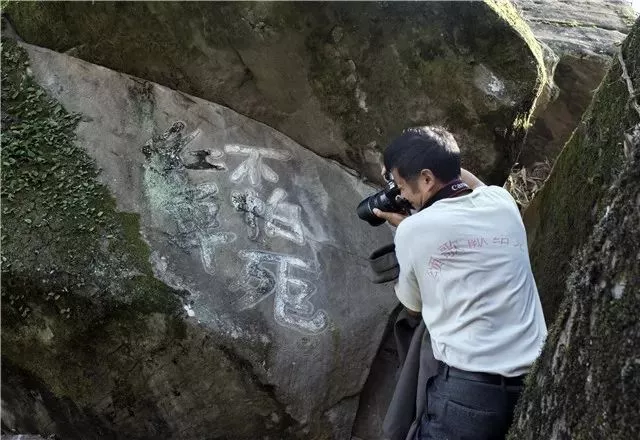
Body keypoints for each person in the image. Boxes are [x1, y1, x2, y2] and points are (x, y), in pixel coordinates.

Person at [373, 126, 547, 440]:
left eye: (400, 185)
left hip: (468, 396)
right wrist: (430, 158)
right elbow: (467, 182)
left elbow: (413, 308)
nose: (401, 195)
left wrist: (408, 229)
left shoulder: (413, 231)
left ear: (427, 179)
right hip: (534, 381)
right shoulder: (502, 201)